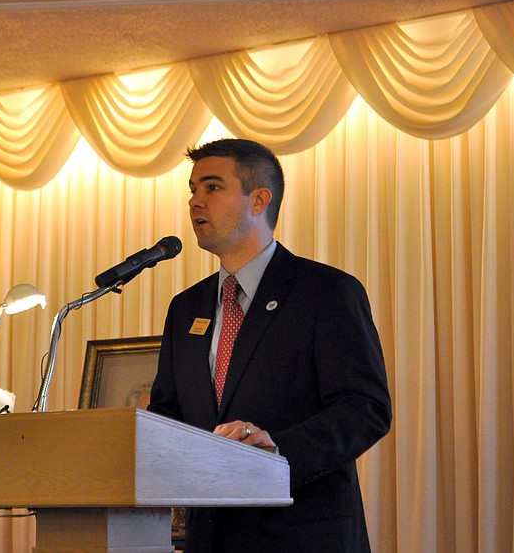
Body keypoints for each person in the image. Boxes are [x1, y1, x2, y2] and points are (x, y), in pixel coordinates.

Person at [148, 138, 392, 552]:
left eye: (212, 187)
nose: (195, 202)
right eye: (192, 190)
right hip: (211, 537)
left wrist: (276, 452)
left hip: (303, 533)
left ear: (259, 199)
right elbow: (167, 413)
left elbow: (364, 409)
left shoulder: (326, 292)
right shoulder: (185, 308)